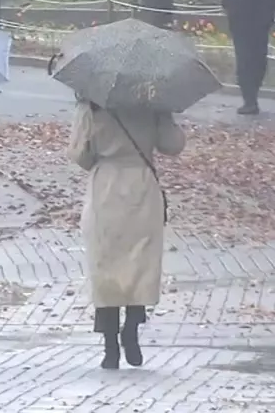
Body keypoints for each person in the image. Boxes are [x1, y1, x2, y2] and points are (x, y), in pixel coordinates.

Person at [66, 97, 185, 369]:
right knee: (140, 264)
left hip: (105, 187)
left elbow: (79, 154)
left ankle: (109, 346)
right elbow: (173, 145)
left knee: (105, 264)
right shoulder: (152, 100)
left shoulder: (91, 104)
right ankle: (131, 329)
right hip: (142, 185)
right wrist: (164, 115)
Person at [198, 0, 275, 115]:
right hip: (263, 8)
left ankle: (249, 97)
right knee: (260, 49)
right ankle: (255, 88)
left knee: (243, 50)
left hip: (238, 6)